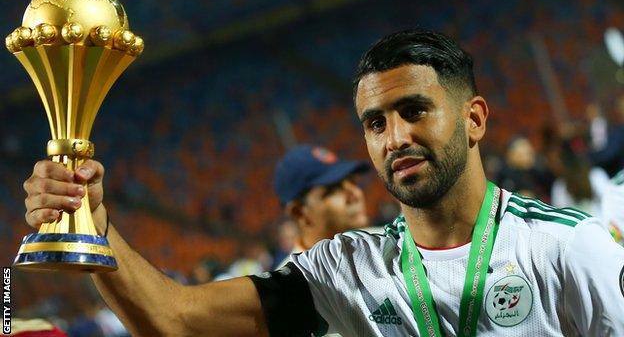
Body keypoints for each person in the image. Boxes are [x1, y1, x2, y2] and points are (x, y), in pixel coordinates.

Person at [22, 30, 624, 336]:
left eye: (416, 111)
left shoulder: (567, 247)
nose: (395, 139)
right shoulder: (345, 271)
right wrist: (94, 224)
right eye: (375, 123)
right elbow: (175, 320)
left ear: (474, 120)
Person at [273, 144, 373, 268]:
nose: (356, 194)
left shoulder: (385, 242)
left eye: (352, 181)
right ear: (299, 212)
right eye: (334, 189)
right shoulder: (289, 283)